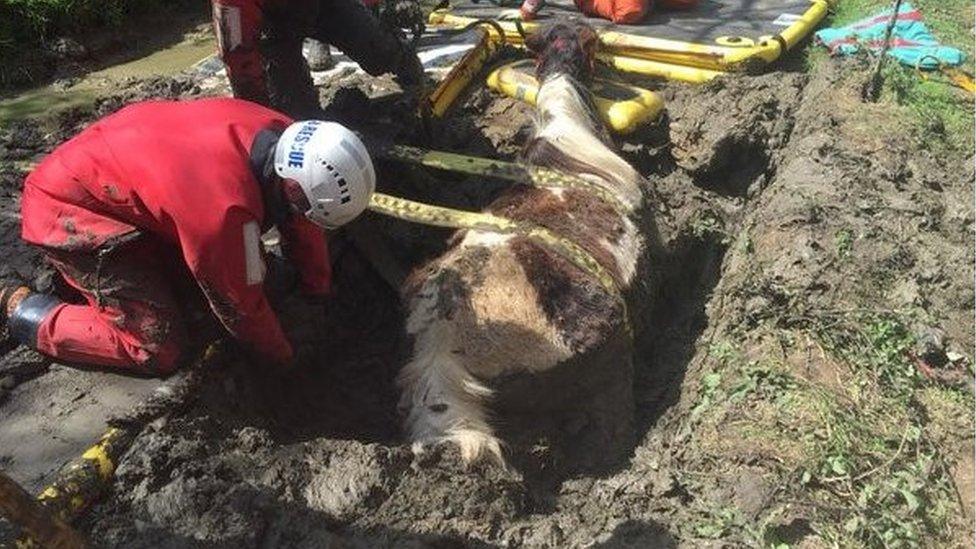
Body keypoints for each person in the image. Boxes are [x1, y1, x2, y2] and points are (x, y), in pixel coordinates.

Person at [0, 97, 376, 375]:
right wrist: (284, 361)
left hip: (122, 181)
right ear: (292, 187)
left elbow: (301, 220)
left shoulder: (290, 139)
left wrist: (318, 289)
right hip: (71, 211)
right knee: (157, 345)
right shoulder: (222, 212)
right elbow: (239, 306)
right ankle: (23, 310)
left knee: (255, 280)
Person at [211, 0, 425, 118]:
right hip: (273, 26)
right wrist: (256, 115)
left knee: (380, 51)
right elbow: (239, 60)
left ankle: (406, 61)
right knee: (295, 116)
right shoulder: (231, 5)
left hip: (326, 5)